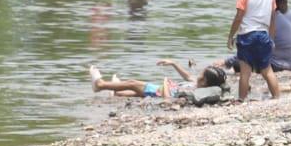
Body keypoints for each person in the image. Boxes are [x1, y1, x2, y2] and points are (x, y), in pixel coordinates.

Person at [226, 0, 281, 102]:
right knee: (267, 70)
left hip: (246, 37)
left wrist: (231, 35)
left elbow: (238, 17)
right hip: (263, 36)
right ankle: (277, 98)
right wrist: (272, 39)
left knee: (245, 72)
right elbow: (272, 20)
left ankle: (242, 100)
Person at [89, 59, 222, 99]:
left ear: (204, 81)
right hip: (159, 89)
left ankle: (100, 85)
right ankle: (116, 92)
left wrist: (165, 82)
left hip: (159, 91)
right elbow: (187, 76)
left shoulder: (195, 92)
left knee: (132, 83)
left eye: (201, 74)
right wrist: (174, 63)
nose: (198, 74)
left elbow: (169, 99)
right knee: (136, 92)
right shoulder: (198, 84)